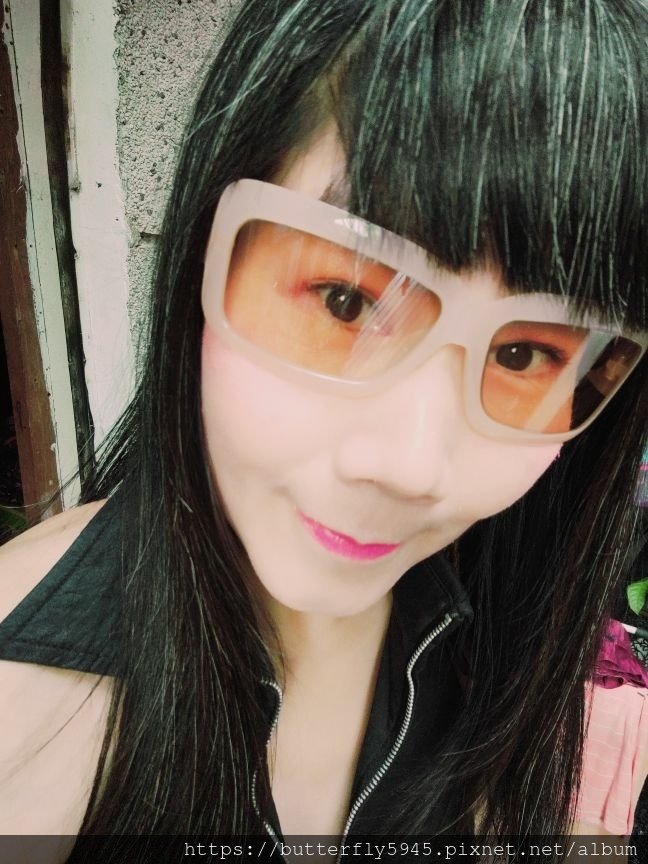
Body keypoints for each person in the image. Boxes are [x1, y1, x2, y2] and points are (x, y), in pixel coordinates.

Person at [0, 0, 647, 857]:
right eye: (345, 302)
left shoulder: (525, 639)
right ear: (205, 254)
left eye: (525, 356)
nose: (413, 466)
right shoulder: (24, 708)